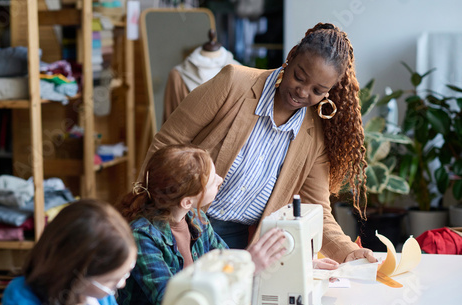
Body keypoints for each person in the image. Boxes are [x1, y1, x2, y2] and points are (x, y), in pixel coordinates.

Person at [140, 22, 377, 264]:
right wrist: (143, 213)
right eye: (299, 77)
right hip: (177, 224)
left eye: (317, 90)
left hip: (237, 244)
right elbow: (167, 143)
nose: (303, 92)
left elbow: (317, 209)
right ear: (291, 57)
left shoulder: (314, 136)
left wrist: (347, 251)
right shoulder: (233, 83)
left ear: (329, 92)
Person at [117, 144, 338, 305]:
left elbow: (227, 260)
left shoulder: (197, 219)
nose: (221, 179)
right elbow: (171, 303)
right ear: (186, 201)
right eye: (212, 181)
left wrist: (295, 264)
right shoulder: (142, 236)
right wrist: (247, 264)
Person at [0, 199, 156, 305]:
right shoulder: (23, 302)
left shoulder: (96, 295)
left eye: (126, 274)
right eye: (111, 280)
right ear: (77, 274)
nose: (121, 285)